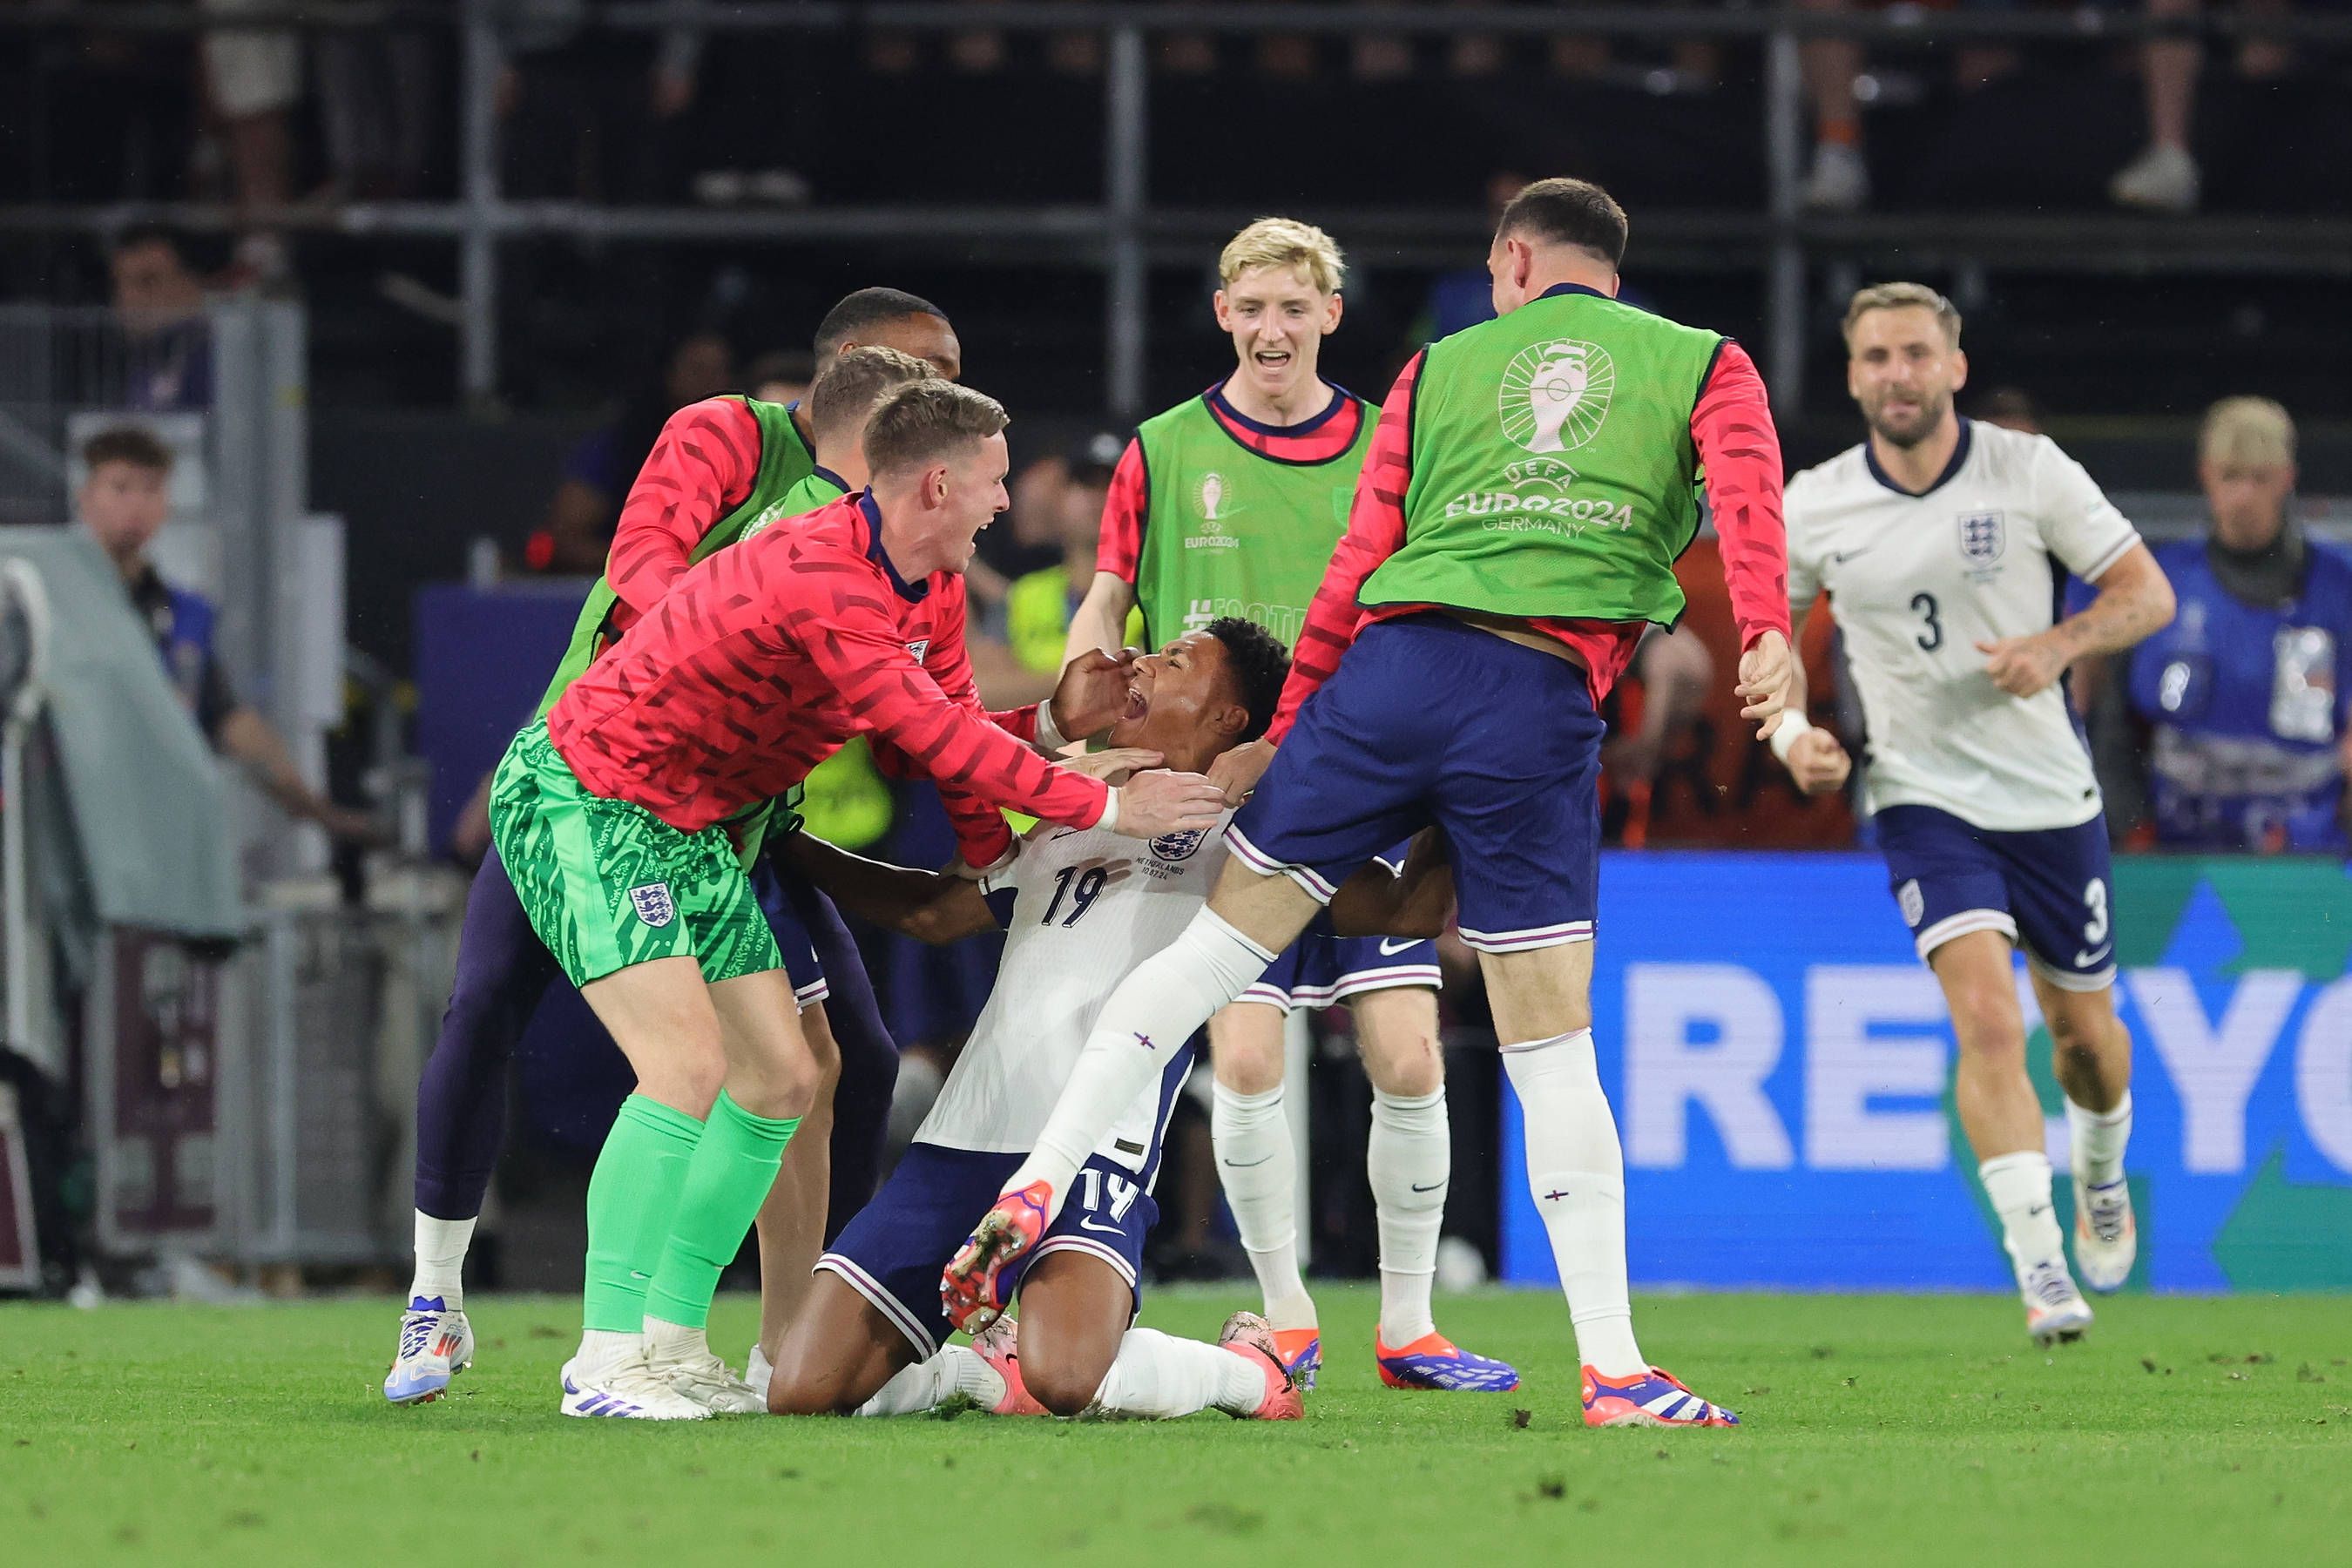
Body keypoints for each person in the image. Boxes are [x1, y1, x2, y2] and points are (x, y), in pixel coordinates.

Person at [950, 177, 1794, 1429]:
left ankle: (1042, 1177)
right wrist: (1766, 634)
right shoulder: (1704, 361)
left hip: (1385, 682)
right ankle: (1614, 1368)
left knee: (1213, 958)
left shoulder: (1435, 368)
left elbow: (1356, 571)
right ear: (1609, 269)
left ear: (1513, 259)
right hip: (1532, 688)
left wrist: (1284, 744)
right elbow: (1747, 498)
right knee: (1548, 1046)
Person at [497, 380, 1226, 1420]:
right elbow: (931, 738)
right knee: (688, 1066)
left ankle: (666, 1341)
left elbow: (951, 737)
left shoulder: (926, 583)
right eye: (992, 481)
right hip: (595, 793)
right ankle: (603, 1357)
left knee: (785, 1076)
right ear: (937, 483)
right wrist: (1105, 802)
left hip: (696, 819)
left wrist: (1017, 825)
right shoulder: (824, 570)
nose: (1005, 504)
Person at [385, 291, 963, 1409]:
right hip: (609, 779)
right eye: (923, 374)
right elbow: (645, 561)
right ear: (851, 378)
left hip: (740, 821)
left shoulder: (908, 530)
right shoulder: (732, 437)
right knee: (491, 1006)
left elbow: (931, 715)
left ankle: (786, 1342)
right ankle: (440, 1296)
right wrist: (745, 620)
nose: (942, 400)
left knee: (838, 1060)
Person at [766, 622, 1451, 1423]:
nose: (1140, 662)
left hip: (1099, 1149)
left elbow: (1414, 905)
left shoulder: (1261, 838)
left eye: (1175, 660)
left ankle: (1248, 1373)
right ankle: (981, 1374)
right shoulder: (1076, 804)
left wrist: (1453, 770)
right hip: (968, 1136)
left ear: (1230, 718)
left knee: (1065, 1378)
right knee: (801, 1390)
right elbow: (933, 911)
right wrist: (789, 845)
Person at [1064, 216, 1505, 1393]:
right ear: (1222, 314)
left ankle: (1410, 1327)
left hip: (1366, 784)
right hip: (1223, 808)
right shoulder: (1161, 449)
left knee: (1410, 1060)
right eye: (1251, 309)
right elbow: (1107, 600)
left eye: (1293, 310)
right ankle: (1286, 1312)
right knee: (1249, 1063)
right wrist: (1090, 687)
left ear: (1330, 316)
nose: (1271, 329)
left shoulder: (1385, 447)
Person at [1774, 282, 2177, 1344]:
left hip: (2049, 793)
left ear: (1953, 368)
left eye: (1915, 354)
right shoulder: (1812, 503)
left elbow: (2148, 594)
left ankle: (2099, 1173)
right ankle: (2043, 1266)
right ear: (1854, 375)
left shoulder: (2025, 469)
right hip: (1920, 793)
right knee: (1989, 1022)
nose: (1895, 374)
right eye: (1875, 357)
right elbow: (1767, 652)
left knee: (2085, 1040)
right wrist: (1791, 735)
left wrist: (2058, 645)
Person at [74, 427, 376, 843]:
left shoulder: (183, 615)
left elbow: (225, 719)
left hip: (156, 822)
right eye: (120, 487)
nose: (136, 505)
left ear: (166, 504)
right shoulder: (46, 601)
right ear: (86, 498)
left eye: (151, 489)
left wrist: (319, 813)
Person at [2116, 396, 2351, 850]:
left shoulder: (2338, 585)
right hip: (2176, 839)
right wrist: (2128, 821)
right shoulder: (2160, 582)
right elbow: (2116, 722)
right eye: (2230, 476)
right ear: (2206, 475)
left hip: (2308, 842)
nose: (2244, 496)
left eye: (2259, 479)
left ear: (2287, 480)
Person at [109, 227, 214, 413]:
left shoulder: (219, 363)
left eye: (148, 281)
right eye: (121, 283)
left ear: (191, 284)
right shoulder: (143, 361)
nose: (128, 297)